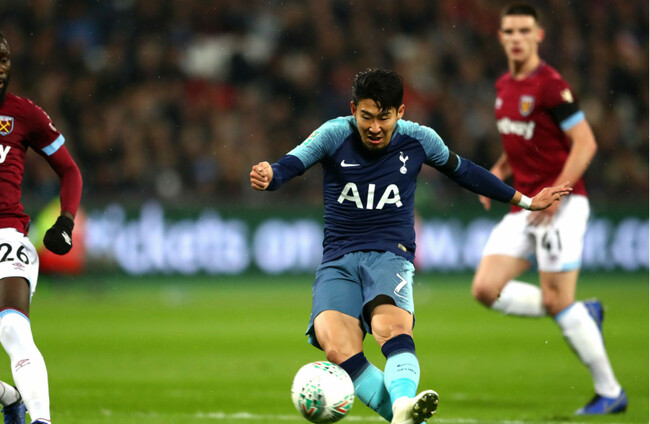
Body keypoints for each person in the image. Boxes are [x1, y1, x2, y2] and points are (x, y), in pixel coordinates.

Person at [250, 68, 569, 424]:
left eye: (383, 117)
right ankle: (403, 413)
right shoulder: (334, 133)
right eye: (366, 117)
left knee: (392, 329)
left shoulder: (419, 139)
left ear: (400, 112)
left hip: (390, 255)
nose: (374, 127)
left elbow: (465, 171)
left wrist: (526, 201)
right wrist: (271, 175)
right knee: (338, 349)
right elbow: (293, 163)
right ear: (353, 109)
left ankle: (402, 403)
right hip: (338, 259)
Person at [470, 3, 627, 416]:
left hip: (563, 204)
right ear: (500, 37)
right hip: (525, 203)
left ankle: (611, 392)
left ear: (539, 36)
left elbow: (586, 143)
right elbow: (520, 141)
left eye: (525, 30)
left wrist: (557, 195)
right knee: (485, 289)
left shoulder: (551, 85)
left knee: (558, 299)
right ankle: (581, 314)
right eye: (509, 31)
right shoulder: (504, 86)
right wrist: (498, 172)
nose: (517, 38)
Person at [0, 32, 83, 424]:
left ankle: (41, 420)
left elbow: (70, 171)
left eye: (4, 59)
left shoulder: (24, 114)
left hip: (7, 236)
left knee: (12, 330)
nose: (0, 67)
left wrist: (65, 221)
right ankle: (10, 398)